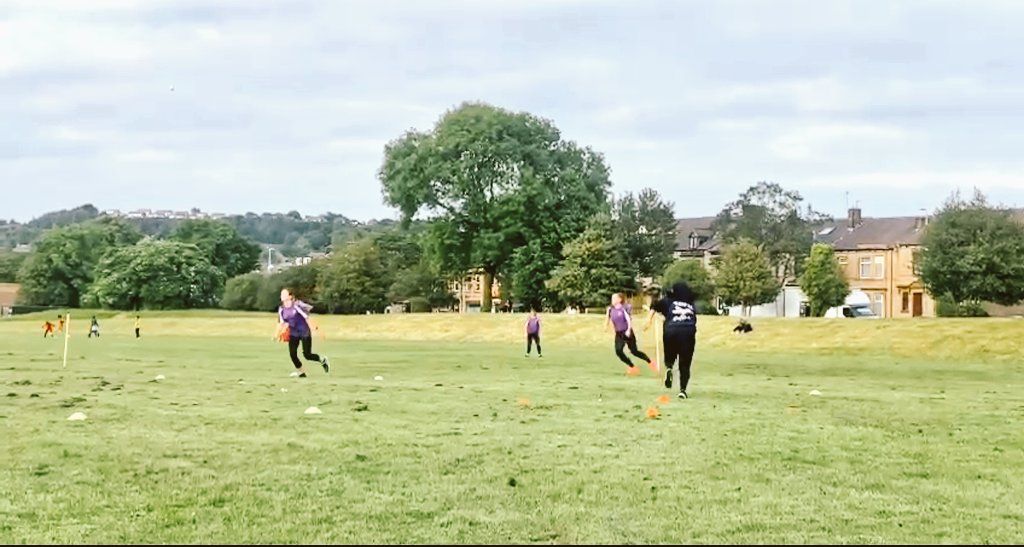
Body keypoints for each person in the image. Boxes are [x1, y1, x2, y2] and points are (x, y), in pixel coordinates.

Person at [647, 282, 698, 399]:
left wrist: (649, 320)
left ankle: (669, 367)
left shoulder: (668, 301)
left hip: (671, 330)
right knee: (685, 363)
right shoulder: (691, 304)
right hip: (688, 331)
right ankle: (683, 390)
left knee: (670, 355)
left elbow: (655, 306)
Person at [275, 289, 329, 377]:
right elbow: (281, 323)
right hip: (293, 333)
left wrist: (314, 329)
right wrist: (277, 334)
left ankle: (322, 360)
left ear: (290, 296)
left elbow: (307, 318)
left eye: (284, 294)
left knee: (307, 355)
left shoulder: (296, 306)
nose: (282, 296)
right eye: (281, 294)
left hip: (304, 331)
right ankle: (302, 372)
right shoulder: (281, 309)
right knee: (293, 354)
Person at [606, 293, 655, 375]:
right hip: (619, 333)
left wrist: (628, 330)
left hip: (627, 331)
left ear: (619, 299)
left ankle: (650, 362)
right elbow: (609, 318)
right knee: (618, 351)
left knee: (634, 351)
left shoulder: (624, 308)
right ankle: (632, 366)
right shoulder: (611, 309)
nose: (612, 300)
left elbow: (628, 319)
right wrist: (606, 325)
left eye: (614, 298)